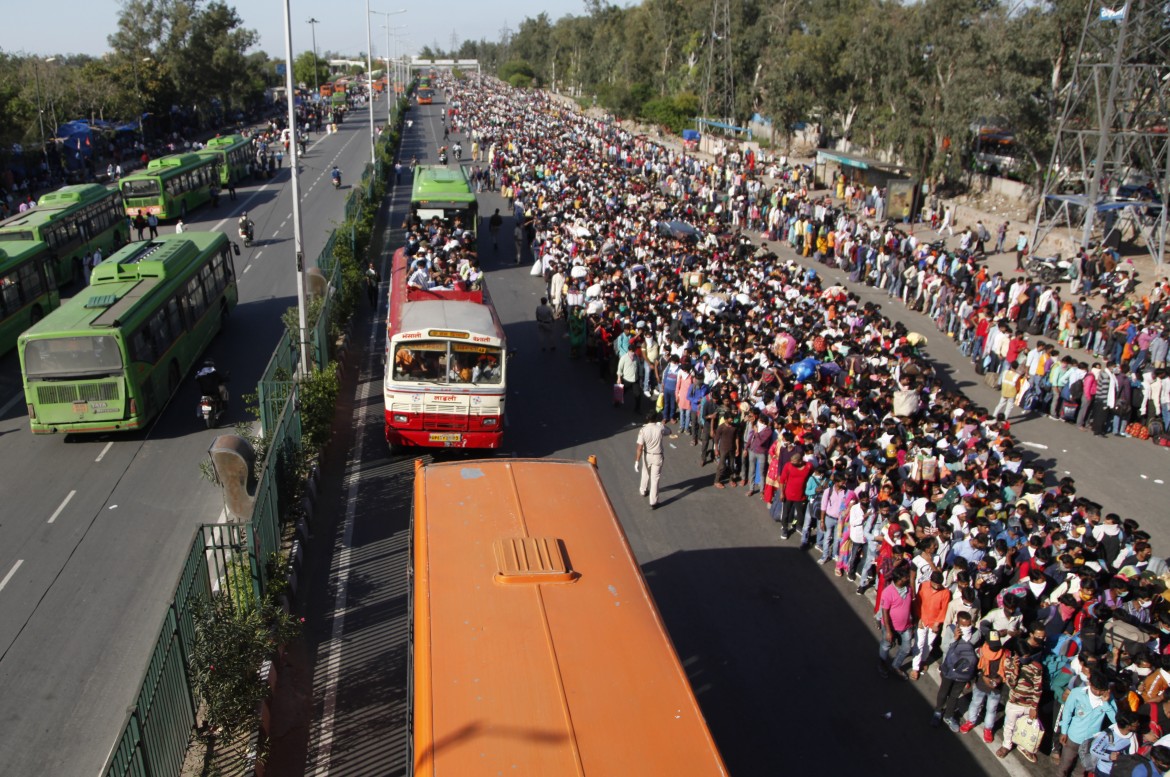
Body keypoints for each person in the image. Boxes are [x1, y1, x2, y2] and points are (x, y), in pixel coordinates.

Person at [1057, 671, 1118, 777]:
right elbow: (1067, 711)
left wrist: (1106, 703)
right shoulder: (1077, 693)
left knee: (1081, 769)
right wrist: (1064, 731)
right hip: (1074, 737)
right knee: (1064, 766)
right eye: (1096, 689)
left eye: (1101, 690)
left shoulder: (1109, 698)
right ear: (1090, 684)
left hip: (1091, 741)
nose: (1098, 693)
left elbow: (1116, 720)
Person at [878, 565, 914, 679]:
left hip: (906, 626)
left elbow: (910, 606)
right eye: (905, 578)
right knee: (886, 645)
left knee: (906, 648)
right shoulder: (888, 592)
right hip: (891, 627)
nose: (908, 578)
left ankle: (895, 665)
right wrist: (888, 631)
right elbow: (885, 612)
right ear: (898, 580)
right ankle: (882, 664)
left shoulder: (908, 589)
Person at [635, 410, 666, 509]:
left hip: (647, 455)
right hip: (657, 456)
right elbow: (669, 431)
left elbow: (639, 447)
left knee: (645, 472)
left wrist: (637, 461)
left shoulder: (643, 430)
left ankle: (643, 490)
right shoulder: (660, 428)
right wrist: (661, 424)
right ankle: (653, 502)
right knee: (655, 479)